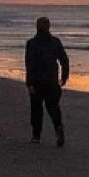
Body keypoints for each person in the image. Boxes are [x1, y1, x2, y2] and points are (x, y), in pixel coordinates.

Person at [25, 16, 69, 146]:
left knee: (36, 109)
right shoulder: (55, 42)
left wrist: (29, 83)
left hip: (38, 81)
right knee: (53, 107)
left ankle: (36, 136)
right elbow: (64, 60)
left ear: (36, 27)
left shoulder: (32, 43)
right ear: (49, 27)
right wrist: (64, 77)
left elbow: (29, 64)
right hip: (51, 80)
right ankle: (57, 128)